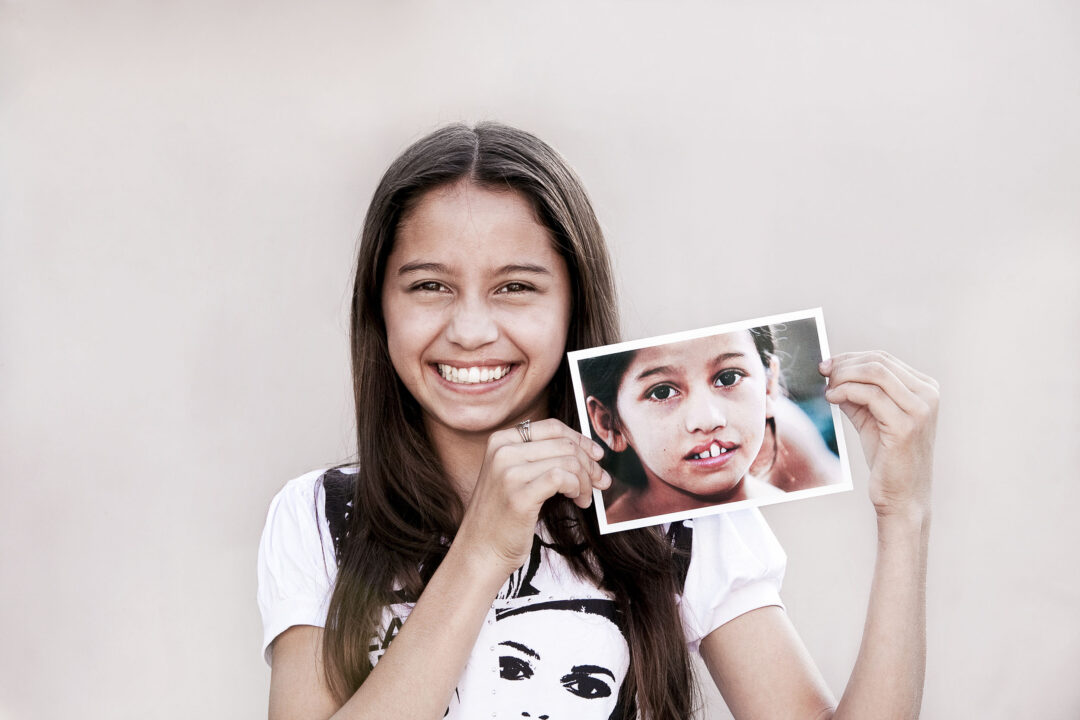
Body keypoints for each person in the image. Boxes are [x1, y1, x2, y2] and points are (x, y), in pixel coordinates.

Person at [257, 122, 938, 720]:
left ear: (571, 303)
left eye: (515, 287)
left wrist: (903, 513)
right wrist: (484, 549)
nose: (470, 330)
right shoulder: (322, 514)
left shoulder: (678, 515)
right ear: (378, 306)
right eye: (430, 286)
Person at [581, 327, 789, 525]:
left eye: (728, 378)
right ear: (609, 423)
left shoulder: (788, 513)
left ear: (769, 386)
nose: (708, 420)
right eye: (662, 392)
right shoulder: (598, 549)